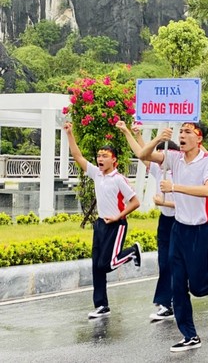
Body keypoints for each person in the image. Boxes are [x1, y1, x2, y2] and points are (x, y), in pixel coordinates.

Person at [135, 120, 208, 352]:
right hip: (179, 230)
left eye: (187, 132)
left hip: (202, 231)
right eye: (180, 131)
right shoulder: (174, 157)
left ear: (199, 138)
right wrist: (157, 138)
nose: (181, 135)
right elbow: (142, 155)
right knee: (177, 285)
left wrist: (174, 188)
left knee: (200, 288)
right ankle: (190, 335)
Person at [63, 122, 142, 319]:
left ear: (114, 160)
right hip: (100, 225)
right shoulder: (97, 174)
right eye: (99, 156)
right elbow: (77, 156)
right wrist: (70, 133)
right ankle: (101, 306)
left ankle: (132, 251)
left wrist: (118, 215)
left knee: (106, 265)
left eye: (104, 156)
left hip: (116, 224)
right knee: (96, 266)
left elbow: (135, 202)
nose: (100, 159)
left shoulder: (119, 179)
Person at [116, 121, 178, 321]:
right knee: (164, 262)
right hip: (165, 222)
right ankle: (166, 303)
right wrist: (128, 132)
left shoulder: (179, 172)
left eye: (160, 154)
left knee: (176, 263)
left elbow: (186, 205)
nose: (157, 157)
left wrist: (164, 203)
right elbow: (142, 153)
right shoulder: (159, 169)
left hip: (182, 222)